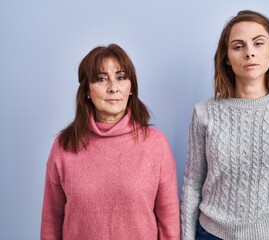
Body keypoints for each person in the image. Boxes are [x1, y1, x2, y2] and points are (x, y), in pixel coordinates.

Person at [181, 10, 269, 240]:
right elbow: (192, 184)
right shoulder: (204, 113)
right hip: (211, 234)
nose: (249, 53)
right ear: (227, 57)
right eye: (238, 46)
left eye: (258, 43)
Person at [41, 43, 180, 240]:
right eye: (101, 79)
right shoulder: (64, 145)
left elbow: (169, 223)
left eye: (121, 77)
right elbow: (51, 222)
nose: (113, 88)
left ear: (131, 88)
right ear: (87, 90)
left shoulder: (155, 144)